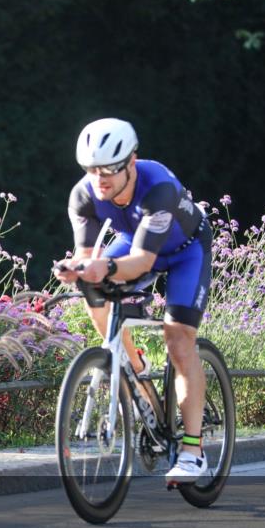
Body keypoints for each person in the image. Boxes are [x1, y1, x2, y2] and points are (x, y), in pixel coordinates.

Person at [53, 118, 213, 485]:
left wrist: (102, 266)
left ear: (131, 162)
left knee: (178, 338)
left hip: (187, 251)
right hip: (134, 243)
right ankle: (129, 360)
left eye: (109, 167)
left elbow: (142, 263)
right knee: (92, 289)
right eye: (91, 168)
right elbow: (88, 255)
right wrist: (78, 269)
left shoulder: (158, 187)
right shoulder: (83, 196)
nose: (100, 177)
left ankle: (193, 450)